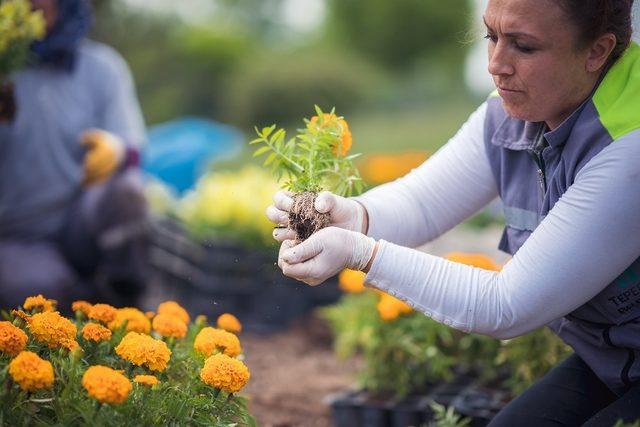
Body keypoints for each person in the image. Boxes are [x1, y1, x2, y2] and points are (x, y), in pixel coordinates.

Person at [267, 0, 640, 424]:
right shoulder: (517, 113)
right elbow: (422, 202)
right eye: (492, 37)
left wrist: (360, 253)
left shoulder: (630, 144)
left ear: (597, 51)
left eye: (524, 46)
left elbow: (505, 305)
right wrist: (350, 215)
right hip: (613, 357)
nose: (496, 65)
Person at [0, 0, 149, 309]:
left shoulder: (102, 68)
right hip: (17, 234)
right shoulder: (7, 72)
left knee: (129, 193)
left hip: (78, 223)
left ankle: (126, 306)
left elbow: (135, 150)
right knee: (42, 291)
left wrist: (118, 151)